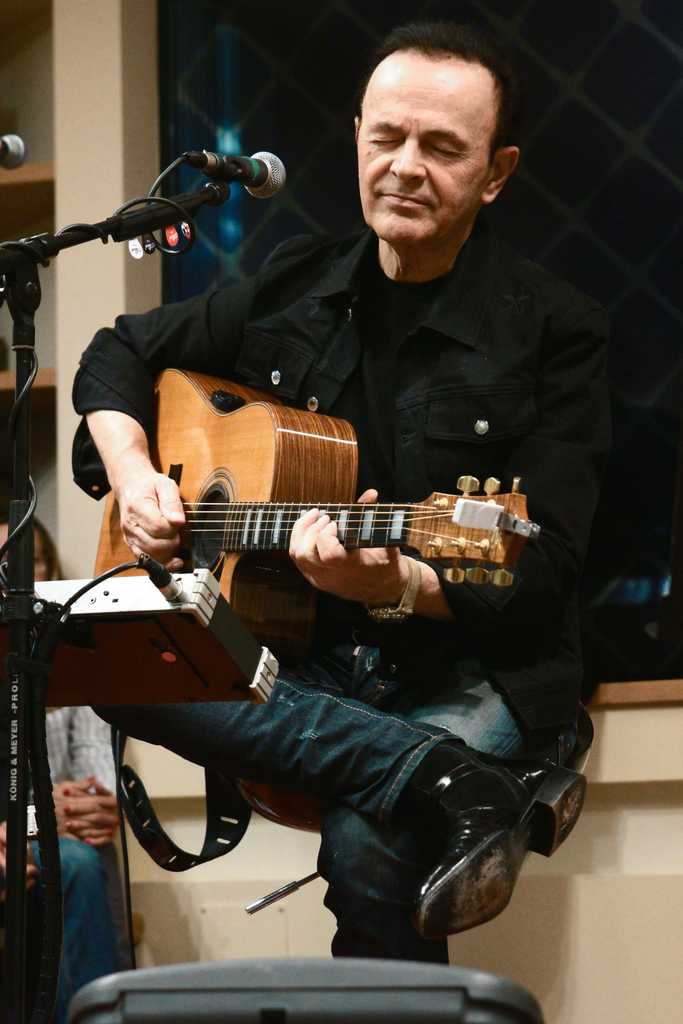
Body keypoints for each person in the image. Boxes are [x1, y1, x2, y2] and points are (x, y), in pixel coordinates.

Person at [71, 21, 610, 963]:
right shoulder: (295, 281)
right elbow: (119, 352)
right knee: (106, 662)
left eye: (441, 148)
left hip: (468, 669)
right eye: (386, 137)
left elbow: (544, 569)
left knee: (369, 846)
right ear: (357, 136)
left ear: (495, 172)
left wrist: (397, 585)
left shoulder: (555, 330)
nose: (404, 167)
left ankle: (428, 775)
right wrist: (136, 476)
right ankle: (451, 780)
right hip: (314, 661)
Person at [0, 519, 125, 1021]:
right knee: (72, 862)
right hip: (26, 836)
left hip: (37, 838)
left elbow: (97, 784)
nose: (12, 581)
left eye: (25, 565)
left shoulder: (73, 658)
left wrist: (95, 806)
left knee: (82, 856)